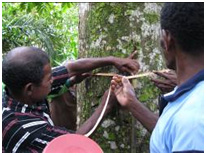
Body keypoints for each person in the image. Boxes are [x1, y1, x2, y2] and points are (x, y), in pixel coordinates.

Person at [2, 46, 139, 153]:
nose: (53, 79)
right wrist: (106, 105)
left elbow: (71, 68)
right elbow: (73, 142)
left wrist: (113, 60)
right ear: (29, 89)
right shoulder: (25, 128)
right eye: (49, 79)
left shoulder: (18, 92)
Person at [111, 2, 204, 153]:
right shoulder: (191, 105)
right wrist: (132, 104)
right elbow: (172, 135)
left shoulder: (193, 117)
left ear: (167, 39)